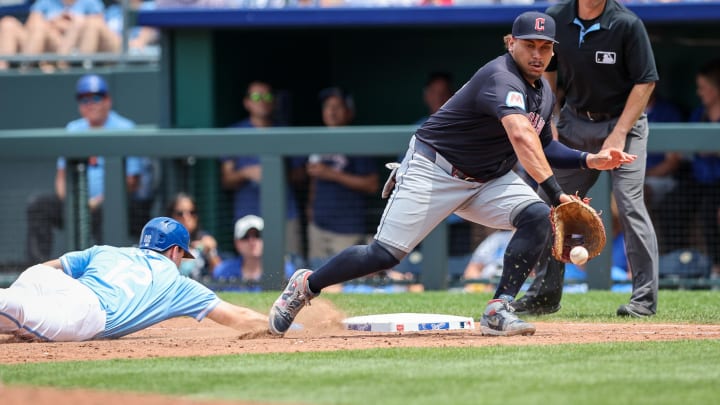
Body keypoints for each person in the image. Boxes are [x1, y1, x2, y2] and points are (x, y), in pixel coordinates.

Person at [268, 11, 635, 337]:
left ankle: (498, 309)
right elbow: (521, 137)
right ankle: (306, 285)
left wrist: (591, 161)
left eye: (545, 47)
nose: (537, 54)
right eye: (529, 45)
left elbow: (546, 146)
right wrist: (557, 193)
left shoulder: (543, 94)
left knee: (537, 216)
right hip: (435, 170)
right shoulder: (500, 77)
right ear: (511, 43)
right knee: (383, 255)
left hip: (487, 178)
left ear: (554, 51)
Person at [512, 0, 660, 319]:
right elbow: (546, 70)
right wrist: (547, 116)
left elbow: (646, 80)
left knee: (630, 203)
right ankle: (544, 295)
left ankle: (644, 299)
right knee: (549, 203)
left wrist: (619, 133)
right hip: (574, 122)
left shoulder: (626, 23)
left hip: (623, 123)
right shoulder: (556, 17)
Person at [1, 216, 267, 342]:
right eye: (182, 255)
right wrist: (288, 327)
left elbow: (47, 270)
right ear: (175, 251)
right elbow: (237, 317)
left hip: (51, 281)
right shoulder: (177, 284)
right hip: (87, 312)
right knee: (18, 310)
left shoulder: (106, 250)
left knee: (23, 293)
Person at [25, 74, 156, 264]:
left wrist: (97, 202)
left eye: (96, 97)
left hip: (114, 205)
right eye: (84, 99)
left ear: (108, 100)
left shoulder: (125, 127)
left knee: (106, 212)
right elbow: (61, 177)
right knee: (38, 205)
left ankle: (107, 270)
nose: (91, 104)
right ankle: (38, 269)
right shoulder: (73, 129)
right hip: (77, 204)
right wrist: (73, 202)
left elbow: (132, 181)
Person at [220, 80, 305, 263]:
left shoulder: (285, 132)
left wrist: (277, 175)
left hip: (285, 213)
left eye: (267, 96)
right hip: (249, 212)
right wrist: (246, 173)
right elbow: (226, 180)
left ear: (274, 101)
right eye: (257, 96)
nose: (262, 101)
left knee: (292, 264)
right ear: (247, 102)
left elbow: (301, 175)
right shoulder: (235, 133)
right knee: (251, 267)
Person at [306, 86, 379, 268]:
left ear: (349, 111)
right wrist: (310, 205)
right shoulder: (318, 139)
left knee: (344, 281)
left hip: (347, 228)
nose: (331, 111)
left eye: (337, 106)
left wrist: (331, 174)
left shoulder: (358, 141)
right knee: (313, 279)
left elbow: (371, 184)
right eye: (327, 106)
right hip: (318, 225)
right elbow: (314, 178)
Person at [212, 215, 296, 291]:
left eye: (257, 235)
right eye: (245, 237)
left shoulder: (284, 269)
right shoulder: (222, 270)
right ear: (236, 243)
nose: (252, 242)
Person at [166, 192, 222, 280]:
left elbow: (220, 274)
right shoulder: (163, 242)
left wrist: (211, 252)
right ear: (171, 216)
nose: (186, 217)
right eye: (180, 213)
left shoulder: (204, 239)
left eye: (191, 212)